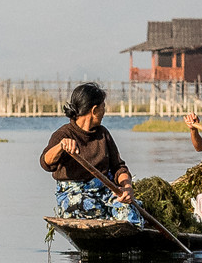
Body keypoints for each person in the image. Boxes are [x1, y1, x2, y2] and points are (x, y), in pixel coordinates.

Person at [42, 83, 137, 221]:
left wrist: (127, 187)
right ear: (94, 110)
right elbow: (45, 163)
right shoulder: (63, 134)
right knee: (92, 210)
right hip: (73, 195)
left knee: (129, 213)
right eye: (103, 108)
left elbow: (118, 167)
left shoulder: (103, 134)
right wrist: (61, 146)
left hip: (104, 191)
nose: (104, 112)